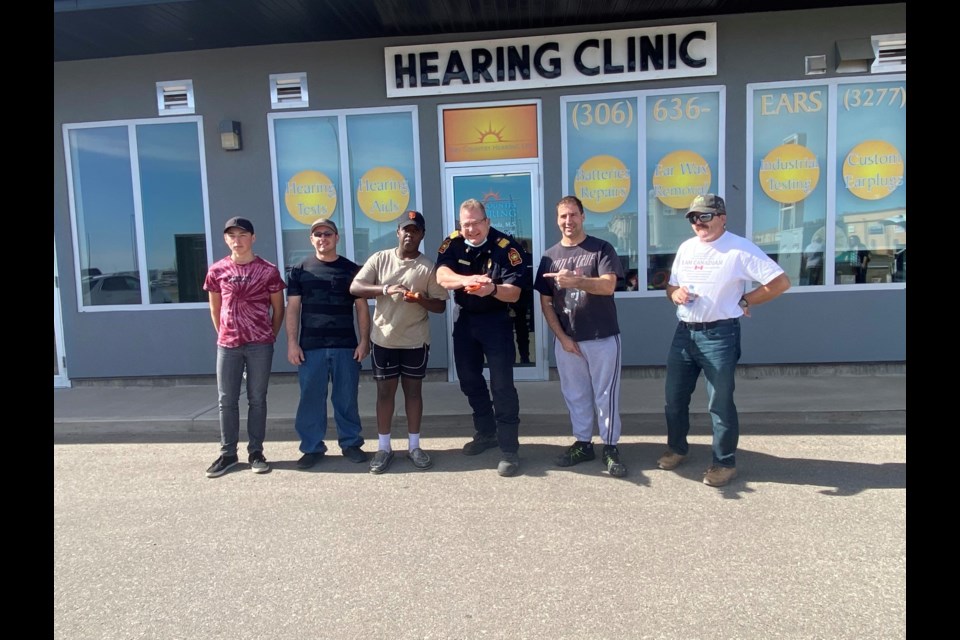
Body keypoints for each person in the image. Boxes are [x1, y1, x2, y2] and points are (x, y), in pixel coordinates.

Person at [660, 194, 790, 487]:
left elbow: (780, 282)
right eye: (693, 217)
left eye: (704, 216)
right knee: (674, 399)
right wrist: (674, 294)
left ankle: (724, 463)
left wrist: (746, 299)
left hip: (720, 335)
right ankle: (677, 448)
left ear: (722, 217)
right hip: (684, 333)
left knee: (719, 402)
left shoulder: (739, 248)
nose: (698, 223)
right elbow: (671, 285)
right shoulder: (686, 247)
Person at [436, 198, 531, 477]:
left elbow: (514, 292)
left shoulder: (507, 248)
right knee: (468, 379)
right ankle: (486, 432)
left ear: (487, 222)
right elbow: (441, 275)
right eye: (466, 224)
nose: (472, 229)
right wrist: (466, 281)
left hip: (496, 320)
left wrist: (490, 290)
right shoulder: (452, 242)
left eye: (477, 223)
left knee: (502, 385)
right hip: (465, 319)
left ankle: (509, 449)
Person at [534, 195, 628, 478]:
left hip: (601, 335)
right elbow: (546, 303)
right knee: (575, 395)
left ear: (583, 216)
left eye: (573, 215)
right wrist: (561, 337)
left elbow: (608, 286)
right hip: (568, 340)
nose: (568, 221)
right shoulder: (549, 257)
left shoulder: (600, 249)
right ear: (557, 219)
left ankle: (610, 446)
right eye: (563, 216)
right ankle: (583, 443)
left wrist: (576, 281)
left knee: (605, 394)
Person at [349, 210, 448, 474]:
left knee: (414, 393)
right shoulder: (380, 259)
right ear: (398, 232)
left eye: (415, 230)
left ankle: (414, 446)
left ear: (422, 235)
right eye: (405, 229)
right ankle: (384, 448)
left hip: (415, 341)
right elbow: (355, 287)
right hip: (384, 340)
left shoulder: (428, 267)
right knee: (385, 394)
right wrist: (384, 289)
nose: (409, 234)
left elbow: (440, 306)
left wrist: (420, 299)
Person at [203, 216, 286, 478]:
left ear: (253, 238)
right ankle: (228, 453)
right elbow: (215, 309)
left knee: (257, 399)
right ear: (226, 239)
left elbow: (278, 307)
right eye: (231, 236)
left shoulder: (268, 270)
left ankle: (256, 452)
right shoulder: (217, 270)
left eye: (242, 235)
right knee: (226, 400)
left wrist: (268, 336)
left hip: (260, 345)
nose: (237, 241)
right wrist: (225, 334)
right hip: (228, 346)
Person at [285, 218, 371, 469]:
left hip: (346, 344)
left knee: (346, 398)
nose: (323, 238)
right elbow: (293, 308)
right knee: (311, 398)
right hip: (311, 347)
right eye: (317, 234)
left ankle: (351, 443)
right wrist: (292, 343)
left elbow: (361, 308)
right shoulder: (300, 270)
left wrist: (364, 341)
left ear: (337, 238)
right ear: (311, 239)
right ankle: (312, 447)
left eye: (328, 234)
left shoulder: (352, 270)